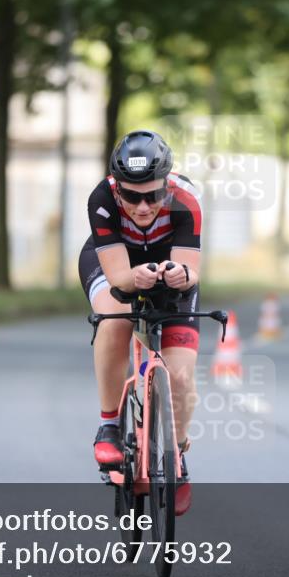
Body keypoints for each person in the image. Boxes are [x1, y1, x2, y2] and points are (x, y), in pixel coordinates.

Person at [79, 130, 202, 516]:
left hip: (168, 263)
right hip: (115, 262)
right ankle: (109, 426)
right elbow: (118, 278)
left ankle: (177, 457)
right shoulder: (101, 199)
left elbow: (191, 269)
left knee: (181, 376)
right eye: (132, 196)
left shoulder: (187, 200)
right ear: (117, 189)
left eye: (153, 195)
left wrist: (180, 275)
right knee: (115, 317)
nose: (144, 206)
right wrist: (136, 278)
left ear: (168, 184)